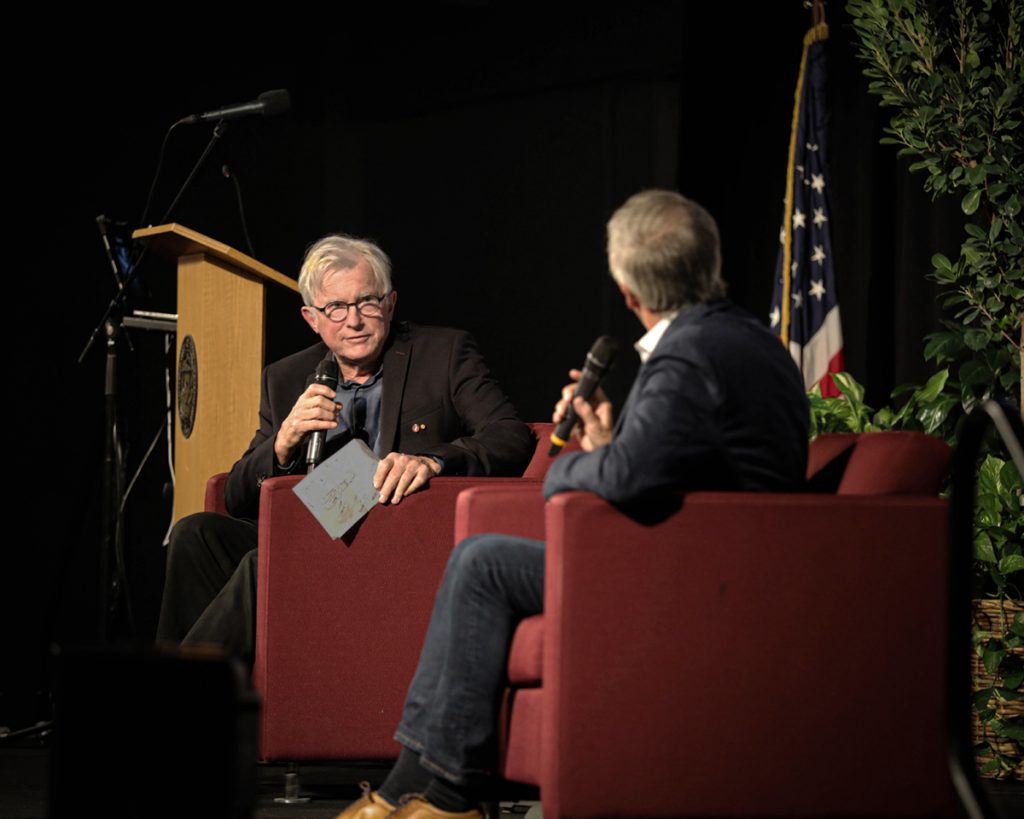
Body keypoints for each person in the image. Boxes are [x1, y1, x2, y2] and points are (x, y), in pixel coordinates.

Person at [335, 189, 810, 819]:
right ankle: (410, 789)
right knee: (482, 560)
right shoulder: (749, 338)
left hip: (699, 574)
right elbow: (676, 465)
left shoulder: (687, 354)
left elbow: (622, 476)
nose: (353, 317)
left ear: (628, 292)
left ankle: (442, 794)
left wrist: (569, 468)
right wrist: (609, 443)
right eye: (336, 308)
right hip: (722, 555)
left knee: (481, 562)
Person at [155, 234, 534, 661]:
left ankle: (174, 693)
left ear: (390, 304)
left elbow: (509, 434)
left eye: (367, 302)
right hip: (310, 529)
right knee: (195, 535)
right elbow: (235, 497)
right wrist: (282, 443)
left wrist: (433, 460)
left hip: (393, 539)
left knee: (265, 565)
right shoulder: (286, 377)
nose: (353, 321)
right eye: (336, 307)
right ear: (312, 318)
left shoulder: (443, 354)